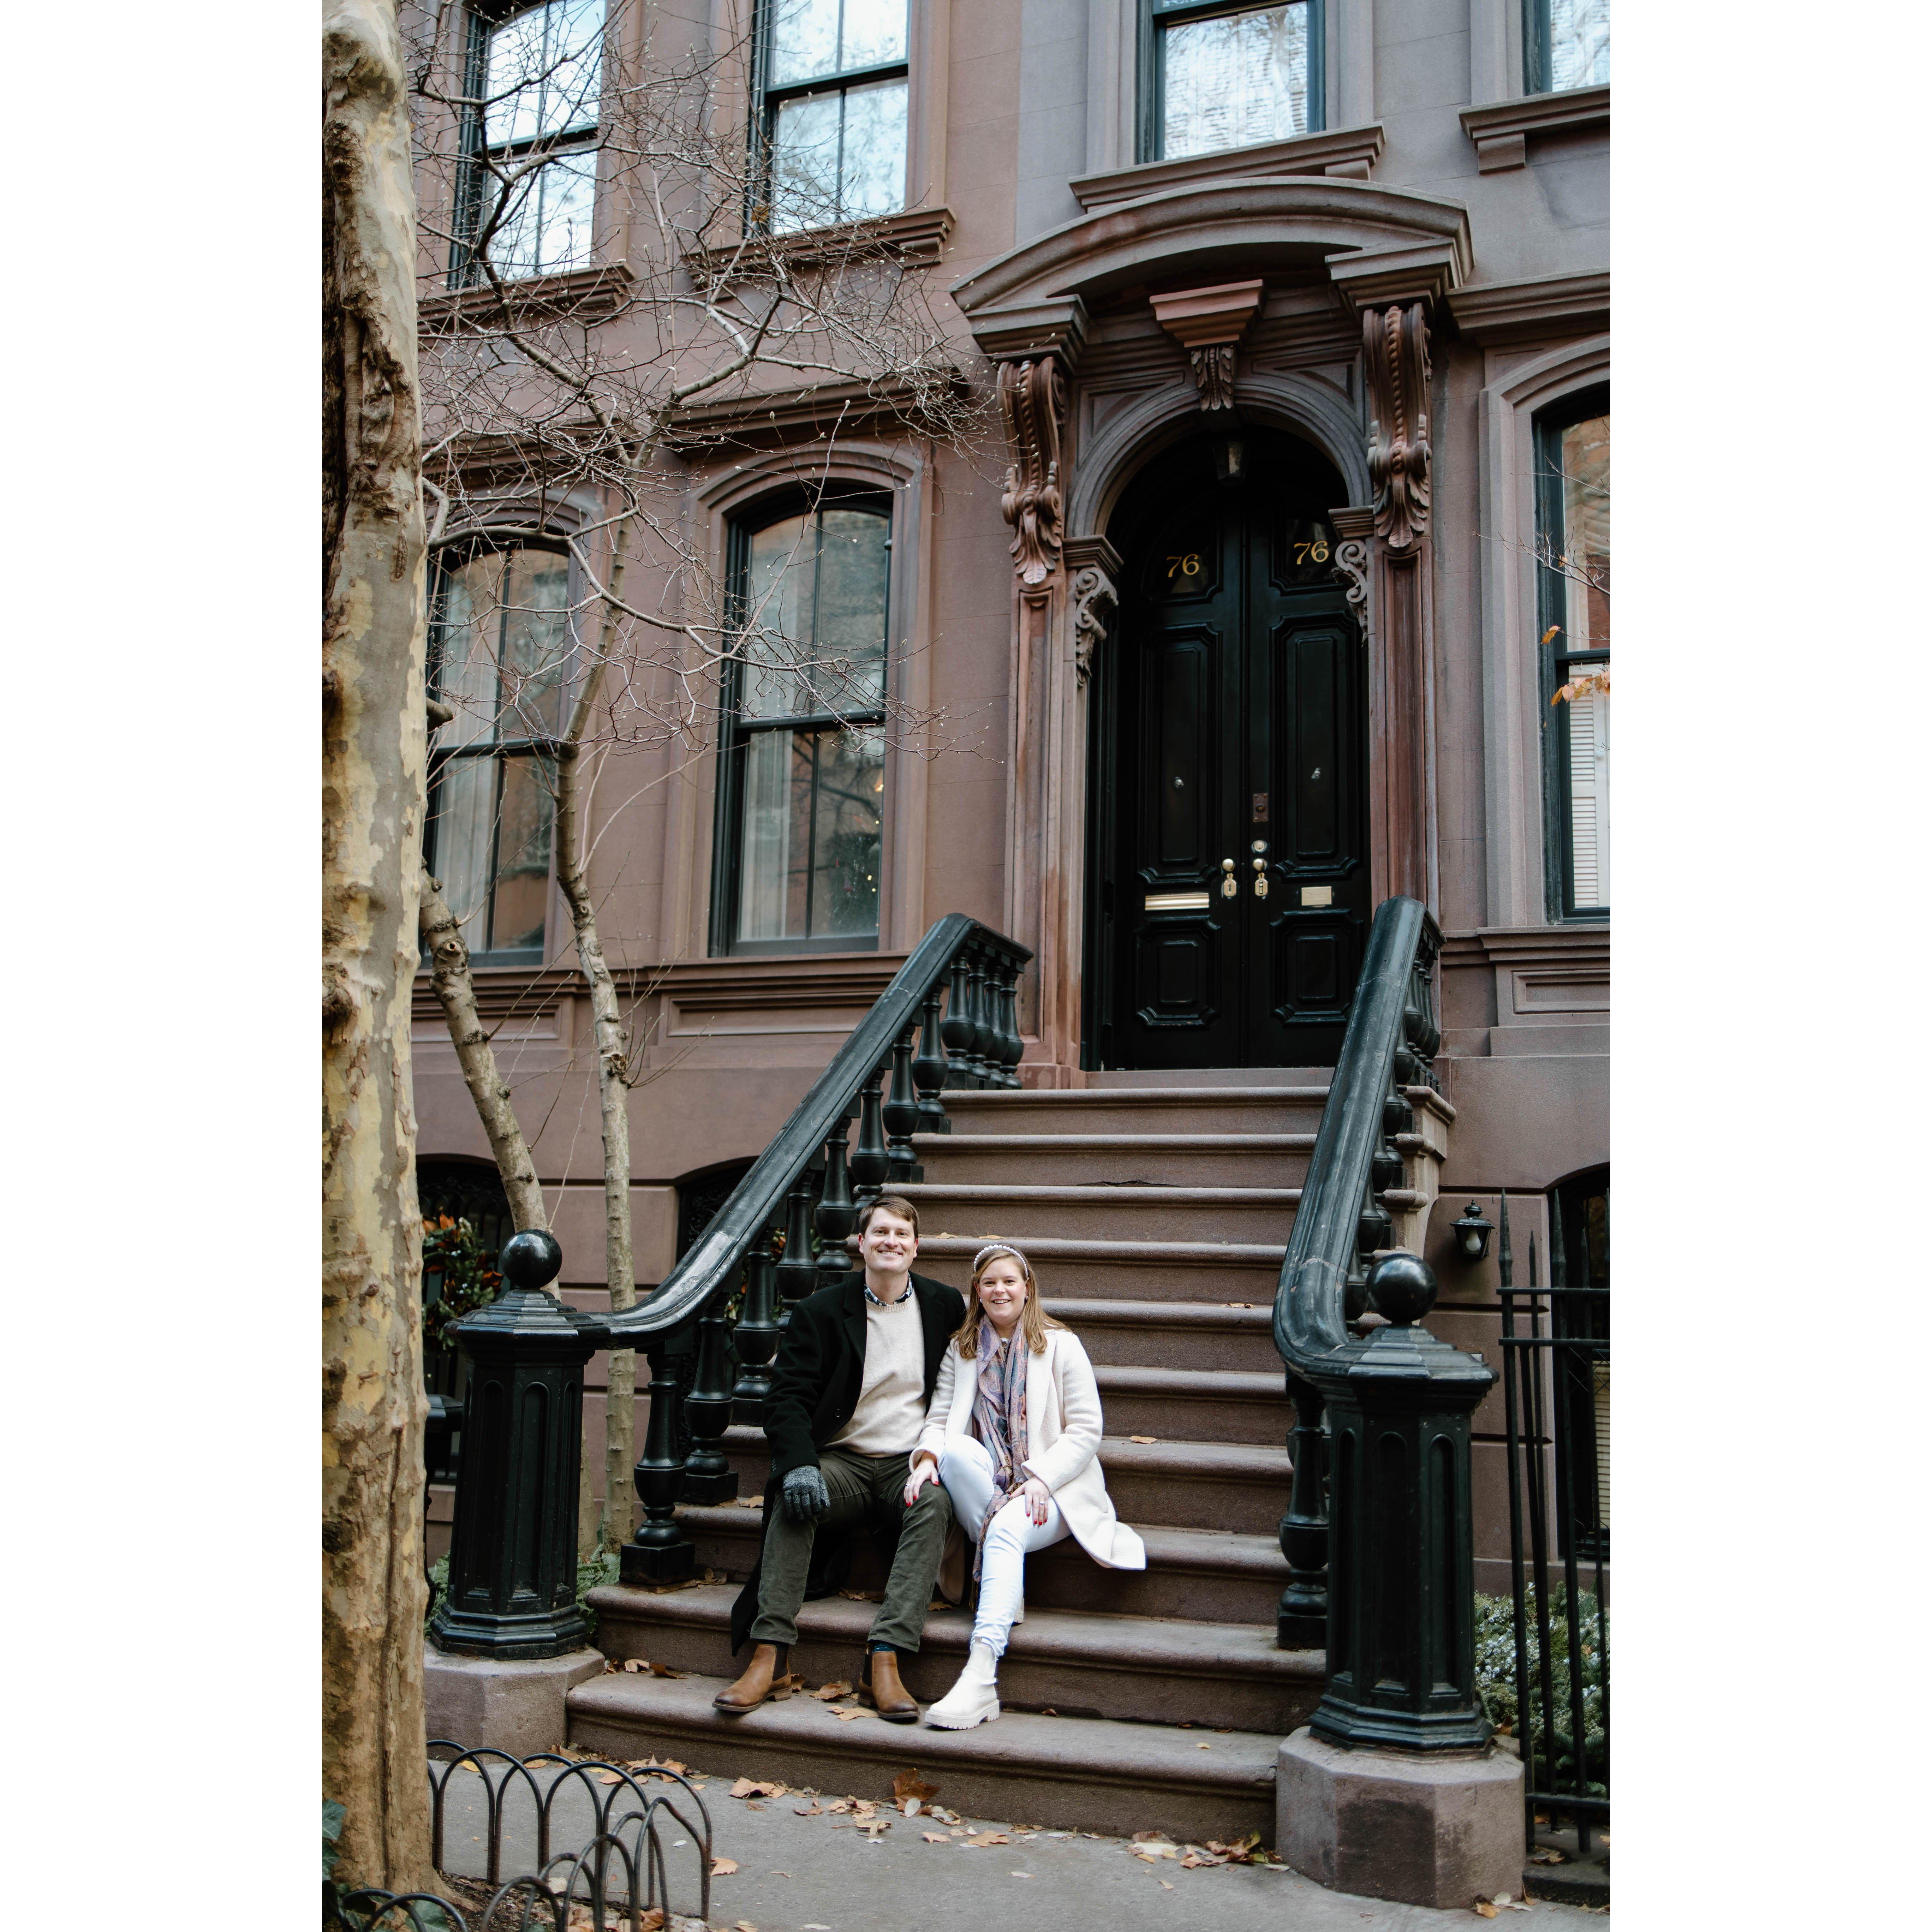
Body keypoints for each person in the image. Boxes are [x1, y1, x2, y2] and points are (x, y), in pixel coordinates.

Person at [718, 1195, 964, 1724]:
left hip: (908, 1463)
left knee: (936, 1504)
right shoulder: (821, 1311)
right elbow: (785, 1398)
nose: (890, 1242)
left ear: (916, 1248)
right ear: (860, 1243)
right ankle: (770, 1653)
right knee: (792, 1490)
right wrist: (801, 1462)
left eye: (901, 1233)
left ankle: (886, 1655)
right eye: (880, 1233)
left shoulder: (945, 1306)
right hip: (844, 1463)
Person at [905, 1241, 1146, 1730]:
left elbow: (1085, 1430)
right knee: (954, 1448)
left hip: (1054, 1492)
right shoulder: (962, 1348)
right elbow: (937, 1419)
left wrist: (1041, 1476)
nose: (1000, 1290)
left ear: (1027, 1286)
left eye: (1009, 1281)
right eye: (990, 1282)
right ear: (978, 1290)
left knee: (1009, 1528)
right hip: (988, 1483)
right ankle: (999, 1559)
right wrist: (927, 1460)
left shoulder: (1061, 1345)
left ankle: (981, 1674)